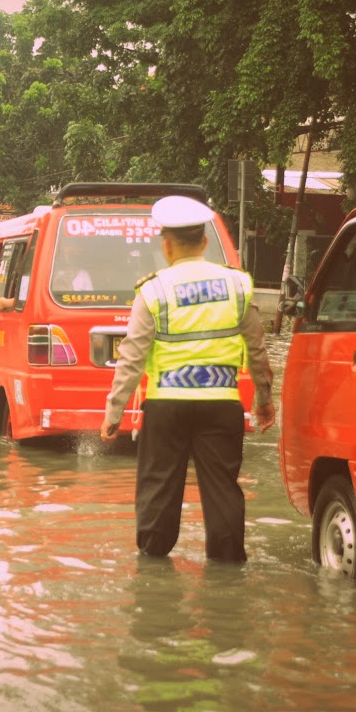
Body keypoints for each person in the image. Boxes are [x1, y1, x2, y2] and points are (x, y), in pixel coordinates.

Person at [100, 196, 277, 564]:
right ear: (205, 242)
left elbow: (131, 355)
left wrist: (114, 412)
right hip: (222, 405)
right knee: (223, 489)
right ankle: (227, 566)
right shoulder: (237, 285)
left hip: (167, 406)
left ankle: (151, 565)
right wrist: (263, 400)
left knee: (159, 487)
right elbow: (257, 349)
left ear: (166, 245)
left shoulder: (153, 290)